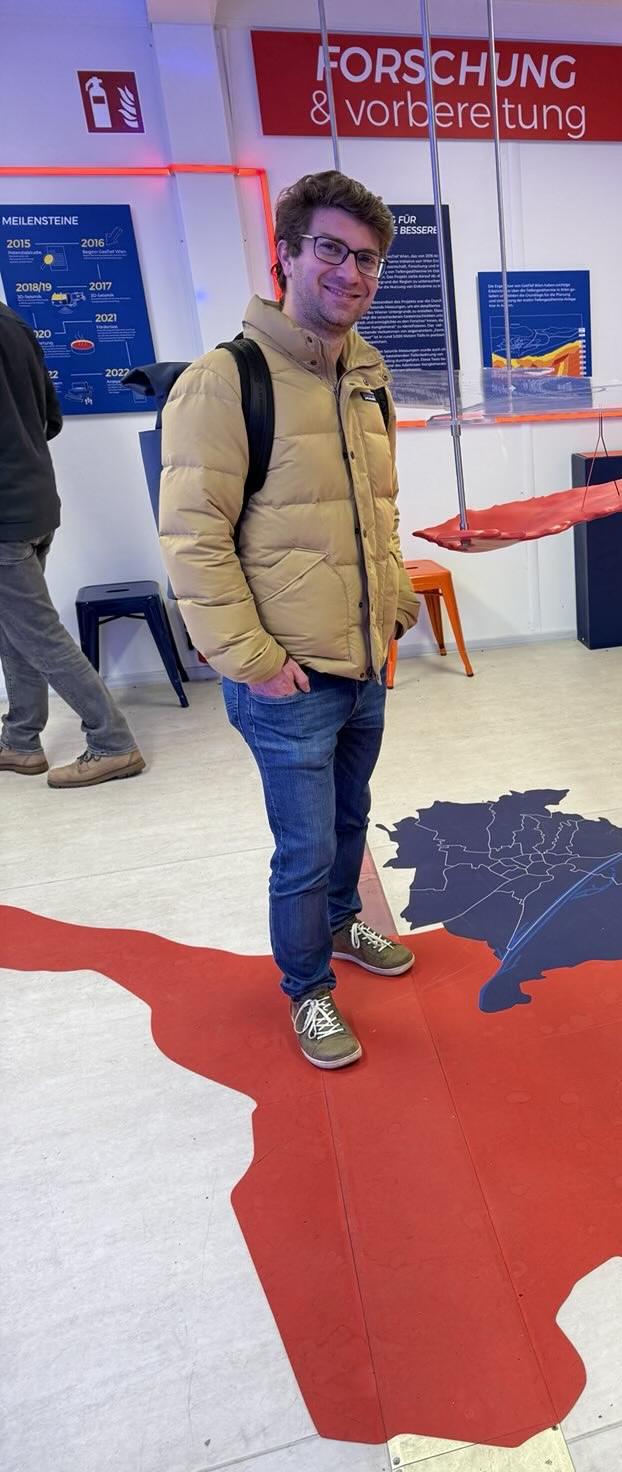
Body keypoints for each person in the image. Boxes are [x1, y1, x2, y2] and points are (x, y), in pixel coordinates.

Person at [159, 171, 421, 1069]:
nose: (352, 272)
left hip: (362, 663)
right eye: (332, 249)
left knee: (350, 823)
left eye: (369, 258)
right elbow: (193, 539)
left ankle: (344, 926)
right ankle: (308, 989)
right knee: (305, 849)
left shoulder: (366, 378)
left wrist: (394, 604)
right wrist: (254, 660)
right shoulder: (224, 382)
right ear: (286, 254)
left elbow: (375, 511)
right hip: (288, 679)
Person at [0, 302, 145, 787]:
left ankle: (113, 742)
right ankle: (20, 740)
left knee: (38, 634)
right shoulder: (12, 323)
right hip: (36, 502)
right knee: (15, 629)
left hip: (4, 517)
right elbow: (51, 418)